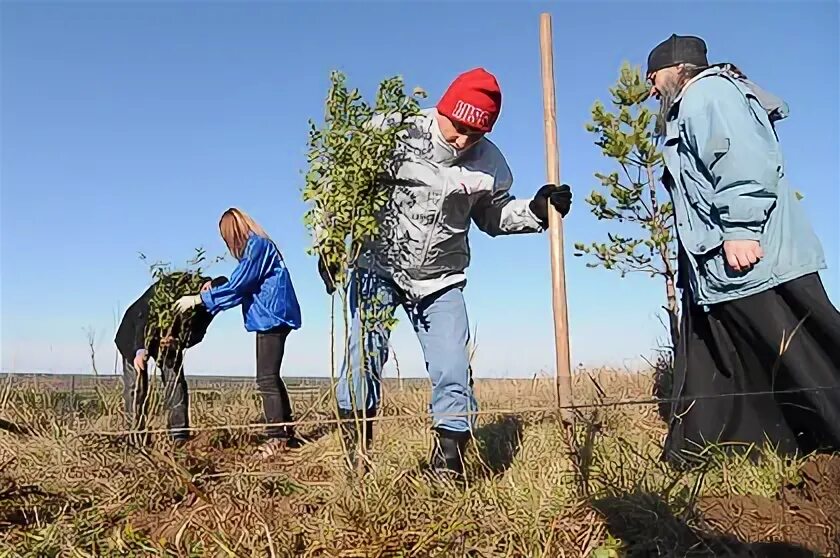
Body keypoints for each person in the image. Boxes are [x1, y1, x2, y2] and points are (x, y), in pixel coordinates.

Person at [317, 68, 573, 478]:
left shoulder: (490, 162)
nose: (462, 140)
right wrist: (330, 240)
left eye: (474, 133)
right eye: (457, 127)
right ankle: (357, 459)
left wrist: (536, 211)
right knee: (362, 356)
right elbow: (344, 185)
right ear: (443, 108)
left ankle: (448, 464)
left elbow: (493, 215)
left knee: (453, 366)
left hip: (440, 278)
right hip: (376, 267)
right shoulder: (393, 132)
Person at [646, 34, 840, 467]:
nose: (652, 89)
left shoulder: (709, 95)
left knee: (804, 357)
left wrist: (740, 229)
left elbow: (745, 161)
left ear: (677, 69)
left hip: (754, 260)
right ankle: (719, 457)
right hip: (718, 269)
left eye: (653, 78)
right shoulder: (693, 105)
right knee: (731, 362)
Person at [175, 207, 303, 456]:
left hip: (272, 316)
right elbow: (238, 289)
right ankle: (286, 433)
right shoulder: (260, 248)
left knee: (265, 378)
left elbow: (239, 285)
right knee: (271, 376)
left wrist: (200, 299)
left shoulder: (258, 247)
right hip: (272, 315)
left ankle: (276, 438)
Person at [115, 273, 228, 444]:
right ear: (207, 284)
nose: (206, 298)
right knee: (136, 386)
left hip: (168, 342)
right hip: (135, 334)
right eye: (206, 292)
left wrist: (178, 342)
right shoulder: (174, 284)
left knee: (175, 382)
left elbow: (196, 334)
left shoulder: (209, 305)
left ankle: (179, 435)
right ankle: (135, 437)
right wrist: (140, 349)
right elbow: (143, 314)